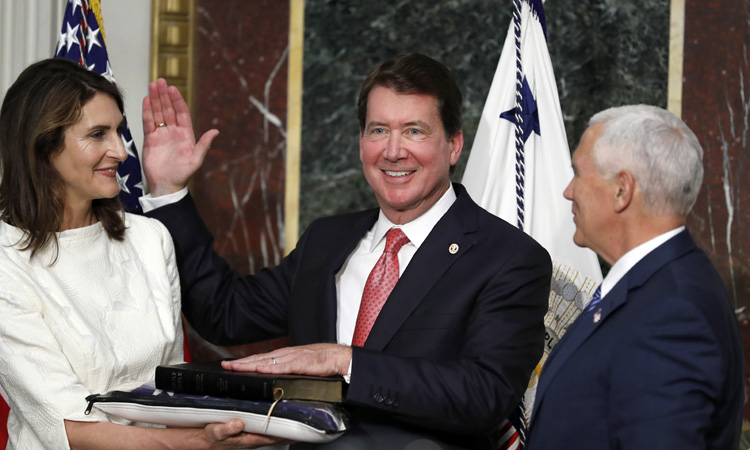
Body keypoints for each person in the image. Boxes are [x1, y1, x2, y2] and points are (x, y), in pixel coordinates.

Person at [141, 53, 552, 449]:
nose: (393, 151)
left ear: (453, 145)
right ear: (361, 144)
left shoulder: (509, 258)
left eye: (414, 130)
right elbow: (224, 314)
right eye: (378, 130)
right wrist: (169, 192)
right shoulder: (327, 239)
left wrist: (344, 362)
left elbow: (482, 397)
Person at [0, 58, 281, 449]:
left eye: (118, 131)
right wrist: (202, 443)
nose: (120, 150)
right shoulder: (6, 261)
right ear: (43, 145)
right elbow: (67, 425)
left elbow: (171, 388)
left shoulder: (150, 238)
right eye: (98, 134)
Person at [525, 105, 744, 450]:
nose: (568, 191)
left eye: (578, 174)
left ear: (622, 190)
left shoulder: (673, 315)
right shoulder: (657, 286)